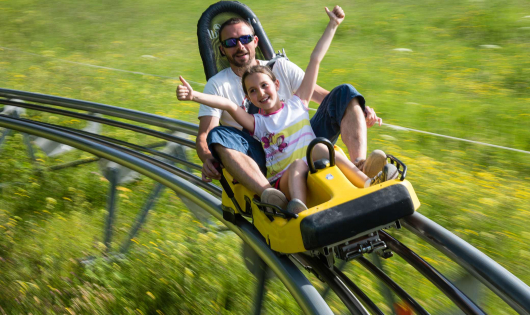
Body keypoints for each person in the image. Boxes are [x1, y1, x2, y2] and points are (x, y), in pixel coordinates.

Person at [178, 6, 396, 213]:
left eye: (244, 39)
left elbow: (320, 80)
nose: (240, 46)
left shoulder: (282, 73)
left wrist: (358, 106)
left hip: (303, 142)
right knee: (219, 135)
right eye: (231, 42)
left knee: (345, 94)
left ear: (255, 41)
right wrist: (208, 158)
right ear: (222, 49)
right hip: (264, 157)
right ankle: (271, 195)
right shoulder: (219, 86)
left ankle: (362, 170)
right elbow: (208, 132)